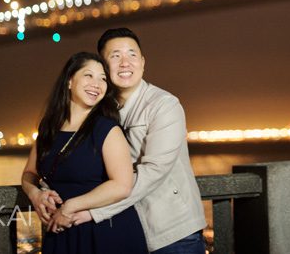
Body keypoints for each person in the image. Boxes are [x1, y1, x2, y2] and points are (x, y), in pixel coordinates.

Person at [56, 27, 207, 253]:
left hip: (173, 231)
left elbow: (154, 170)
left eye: (132, 54)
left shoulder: (164, 105)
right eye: (115, 56)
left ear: (143, 62)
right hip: (127, 231)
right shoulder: (100, 112)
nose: (125, 62)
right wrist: (41, 191)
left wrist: (92, 210)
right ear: (104, 67)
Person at [21, 51, 148, 253]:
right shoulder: (49, 126)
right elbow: (30, 173)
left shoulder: (107, 129)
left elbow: (122, 186)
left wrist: (70, 206)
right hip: (62, 230)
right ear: (69, 81)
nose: (97, 84)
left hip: (106, 232)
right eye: (88, 75)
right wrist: (35, 194)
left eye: (103, 79)